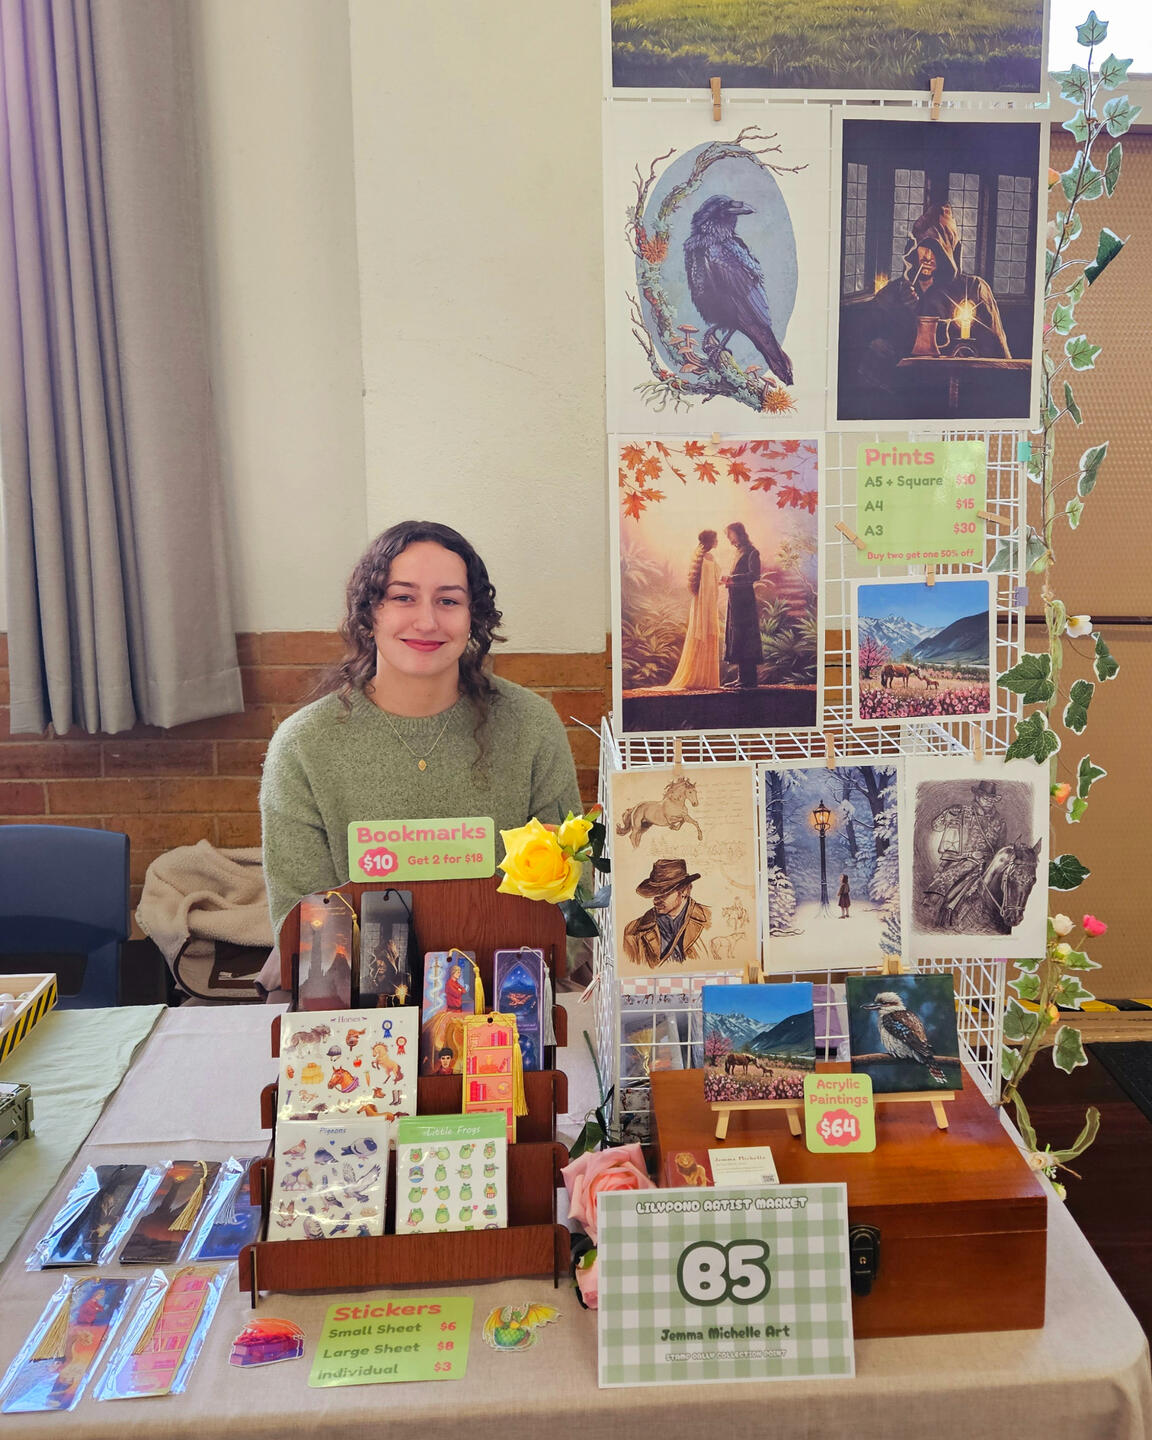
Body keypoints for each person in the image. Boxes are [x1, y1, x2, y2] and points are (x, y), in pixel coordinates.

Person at [259, 521, 582, 940]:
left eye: (448, 600)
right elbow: (299, 923)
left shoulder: (532, 726)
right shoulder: (302, 744)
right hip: (361, 999)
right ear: (369, 612)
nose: (427, 621)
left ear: (473, 618)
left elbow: (575, 900)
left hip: (511, 990)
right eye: (403, 597)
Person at [859, 202, 1011, 397]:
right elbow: (867, 340)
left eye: (936, 249)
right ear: (914, 248)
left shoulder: (972, 289)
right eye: (924, 247)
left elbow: (997, 355)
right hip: (905, 397)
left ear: (948, 252)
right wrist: (901, 312)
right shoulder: (895, 292)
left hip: (959, 392)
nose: (928, 257)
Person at [923, 779, 1006, 929]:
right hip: (960, 860)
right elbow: (936, 826)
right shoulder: (961, 811)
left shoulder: (999, 821)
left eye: (991, 799)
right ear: (977, 796)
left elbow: (1000, 847)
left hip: (988, 862)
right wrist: (948, 814)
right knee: (943, 883)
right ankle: (935, 913)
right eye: (985, 797)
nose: (988, 801)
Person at [622, 858, 711, 969]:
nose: (655, 900)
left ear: (684, 891)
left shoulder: (709, 921)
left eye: (664, 893)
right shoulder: (632, 932)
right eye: (655, 894)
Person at [667, 530, 720, 691]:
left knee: (699, 635)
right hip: (707, 604)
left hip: (699, 602)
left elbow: (704, 583)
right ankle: (704, 680)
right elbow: (710, 584)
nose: (718, 541)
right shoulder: (709, 558)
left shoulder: (698, 556)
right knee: (707, 634)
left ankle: (698, 677)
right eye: (716, 539)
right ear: (711, 541)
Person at [720, 522, 762, 689]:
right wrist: (728, 580)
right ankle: (742, 678)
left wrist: (732, 579)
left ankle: (749, 680)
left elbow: (754, 575)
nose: (730, 540)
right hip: (736, 601)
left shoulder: (752, 552)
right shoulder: (738, 552)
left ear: (739, 534)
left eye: (731, 535)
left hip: (745, 603)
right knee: (738, 638)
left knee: (746, 638)